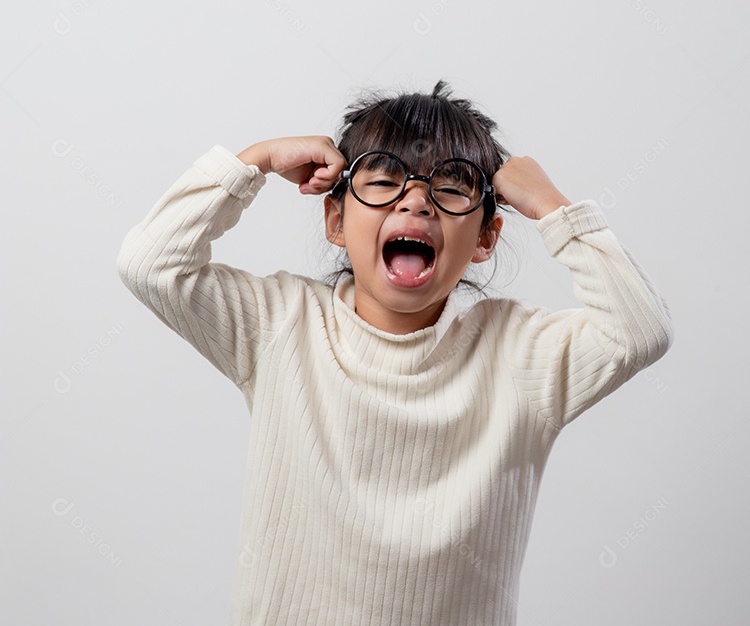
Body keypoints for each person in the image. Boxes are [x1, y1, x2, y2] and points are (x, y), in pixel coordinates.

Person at [117, 80, 673, 625]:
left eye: (451, 188)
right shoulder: (278, 325)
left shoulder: (521, 355)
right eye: (384, 181)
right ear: (336, 220)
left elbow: (639, 329)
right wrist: (254, 161)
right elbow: (152, 263)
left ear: (485, 238)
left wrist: (555, 209)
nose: (417, 201)